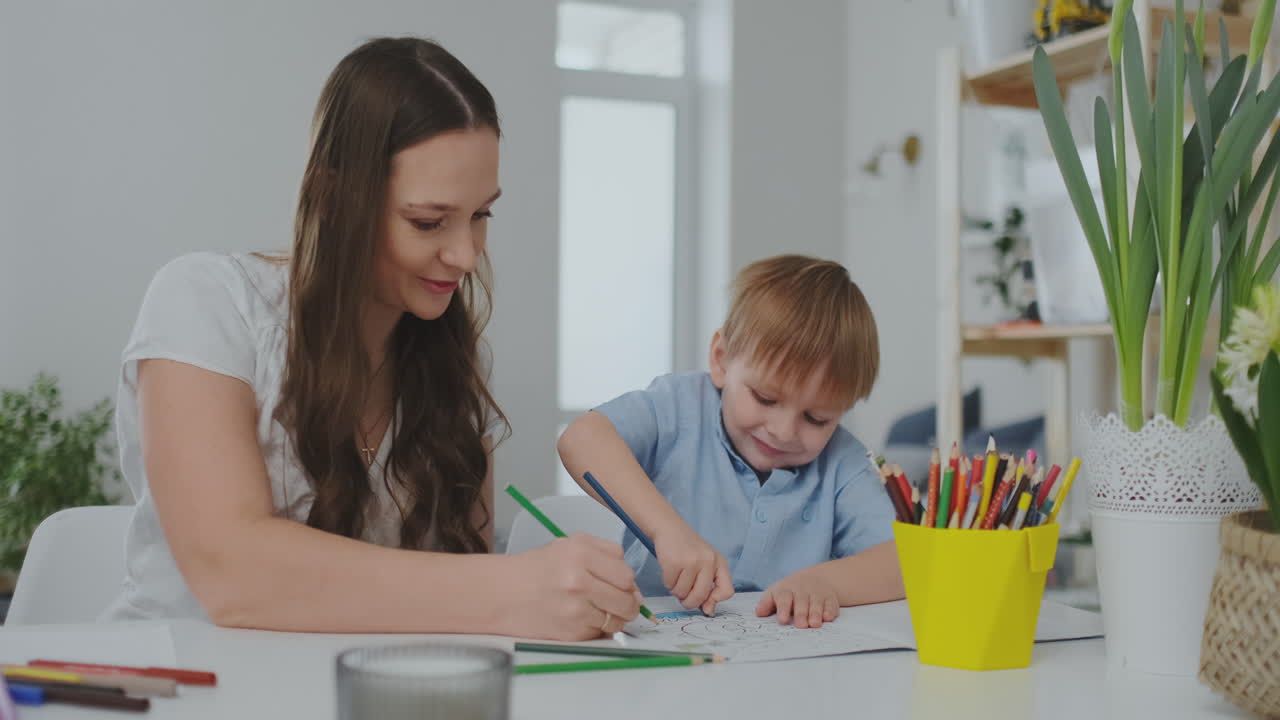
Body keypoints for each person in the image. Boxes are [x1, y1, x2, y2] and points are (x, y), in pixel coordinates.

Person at [103, 37, 641, 640]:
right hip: (177, 687)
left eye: (481, 214)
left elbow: (456, 607)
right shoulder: (205, 301)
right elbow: (233, 576)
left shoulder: (453, 362)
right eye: (428, 221)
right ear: (336, 200)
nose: (465, 255)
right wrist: (515, 587)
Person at [558, 255, 904, 629]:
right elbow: (581, 438)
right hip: (655, 643)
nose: (784, 431)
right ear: (721, 360)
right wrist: (667, 530)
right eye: (765, 399)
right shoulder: (679, 406)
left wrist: (824, 582)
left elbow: (905, 562)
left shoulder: (842, 461)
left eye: (816, 419)